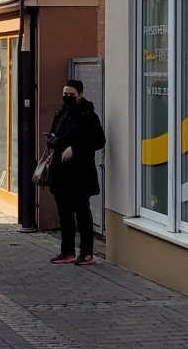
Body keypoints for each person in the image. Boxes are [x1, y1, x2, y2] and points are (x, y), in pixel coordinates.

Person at [47, 79, 106, 266]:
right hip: (61, 173)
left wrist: (75, 148)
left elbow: (99, 140)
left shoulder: (89, 115)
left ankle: (87, 253)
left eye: (71, 95)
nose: (67, 97)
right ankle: (67, 252)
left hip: (80, 173)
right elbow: (54, 135)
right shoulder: (61, 113)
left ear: (80, 94)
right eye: (65, 94)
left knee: (82, 214)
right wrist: (52, 140)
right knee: (64, 214)